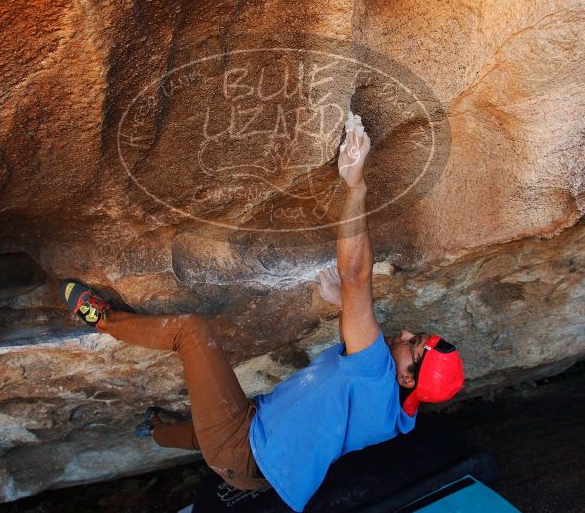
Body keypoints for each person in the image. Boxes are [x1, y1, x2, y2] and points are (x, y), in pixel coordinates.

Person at [60, 111, 464, 512]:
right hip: (259, 450)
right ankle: (153, 430)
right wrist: (345, 307)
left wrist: (356, 185)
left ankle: (103, 320)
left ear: (407, 377)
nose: (408, 333)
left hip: (243, 446)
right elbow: (353, 375)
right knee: (206, 430)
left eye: (415, 345)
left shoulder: (377, 371)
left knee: (193, 333)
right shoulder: (395, 415)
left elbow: (356, 275)